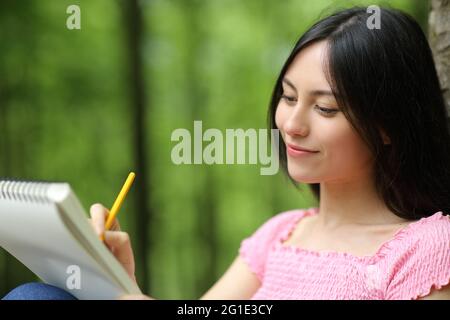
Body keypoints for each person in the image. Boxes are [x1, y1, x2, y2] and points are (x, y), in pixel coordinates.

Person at [4, 6, 450, 300]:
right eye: (289, 97)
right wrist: (120, 281)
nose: (292, 124)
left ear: (386, 126)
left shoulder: (425, 250)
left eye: (326, 107)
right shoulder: (279, 235)